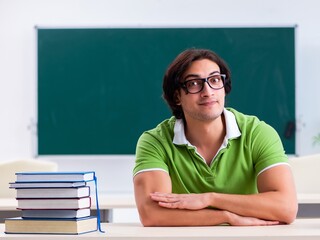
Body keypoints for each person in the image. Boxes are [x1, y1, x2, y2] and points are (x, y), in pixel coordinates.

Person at [133, 48, 297, 227]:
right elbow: (152, 214)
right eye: (194, 83)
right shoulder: (155, 141)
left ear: (224, 88)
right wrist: (226, 217)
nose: (208, 91)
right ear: (177, 96)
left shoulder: (258, 133)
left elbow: (286, 208)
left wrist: (210, 199)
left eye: (215, 80)